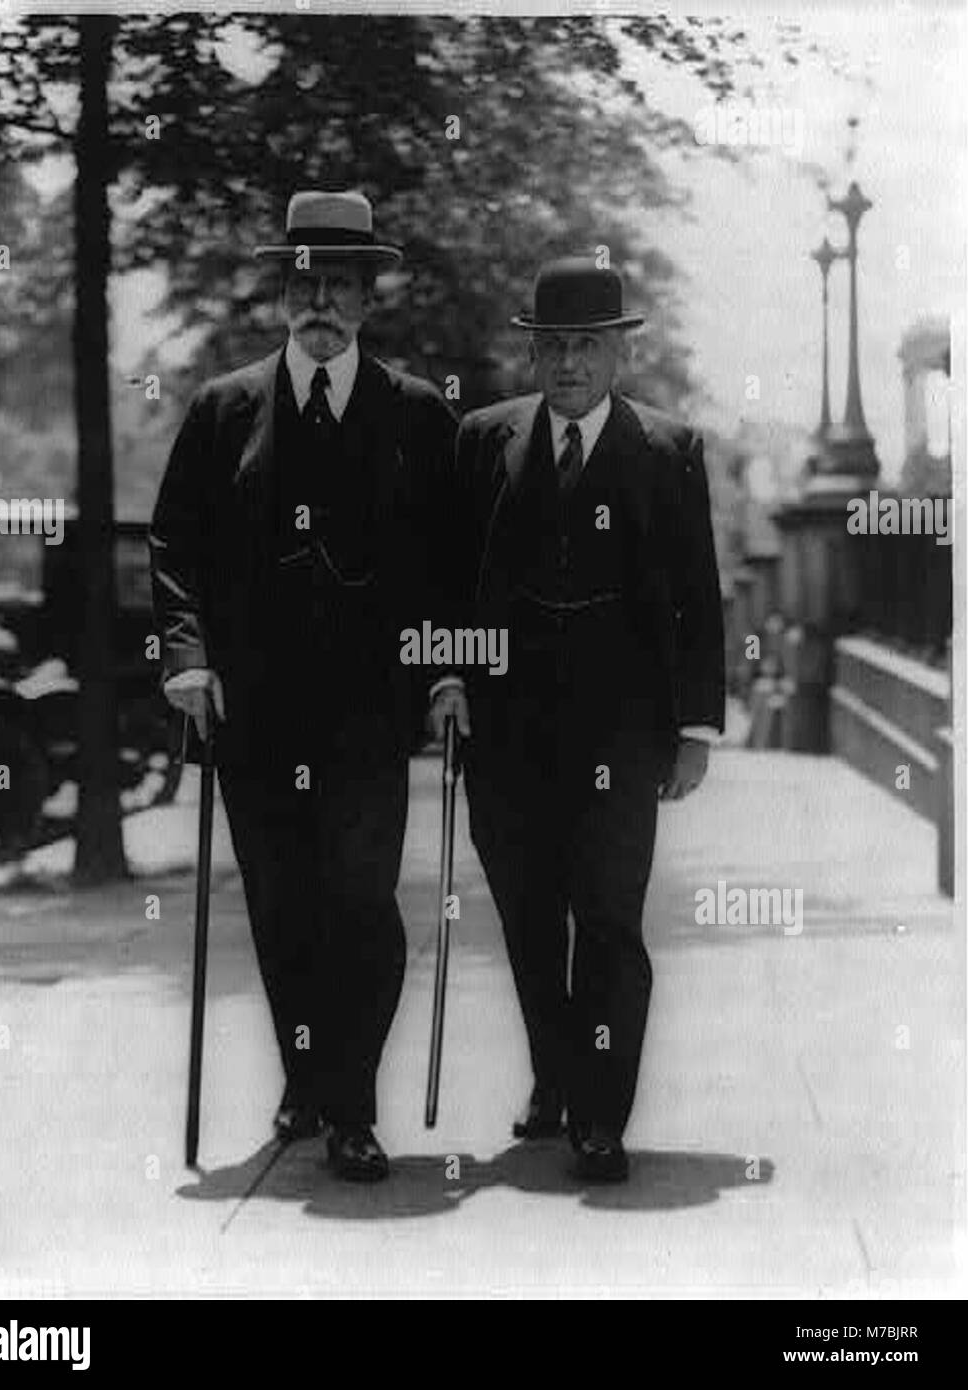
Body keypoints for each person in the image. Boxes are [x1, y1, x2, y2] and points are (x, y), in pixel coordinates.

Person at [151, 190, 457, 1182]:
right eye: (304, 279)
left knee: (363, 907)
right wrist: (188, 656)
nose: (319, 298)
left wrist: (452, 667)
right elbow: (175, 547)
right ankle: (305, 1077)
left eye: (340, 283)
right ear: (287, 292)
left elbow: (456, 563)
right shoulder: (223, 409)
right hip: (256, 716)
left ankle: (353, 1108)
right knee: (282, 908)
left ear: (369, 300)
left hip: (370, 715)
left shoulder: (416, 414)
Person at [430, 256, 725, 1182]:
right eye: (551, 347)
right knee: (526, 919)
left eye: (585, 347)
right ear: (534, 352)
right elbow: (448, 577)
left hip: (619, 738)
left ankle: (600, 1113)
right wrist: (446, 679)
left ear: (615, 354)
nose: (566, 365)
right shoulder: (482, 440)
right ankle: (552, 1076)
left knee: (605, 922)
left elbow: (695, 599)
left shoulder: (666, 450)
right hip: (505, 736)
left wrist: (694, 731)